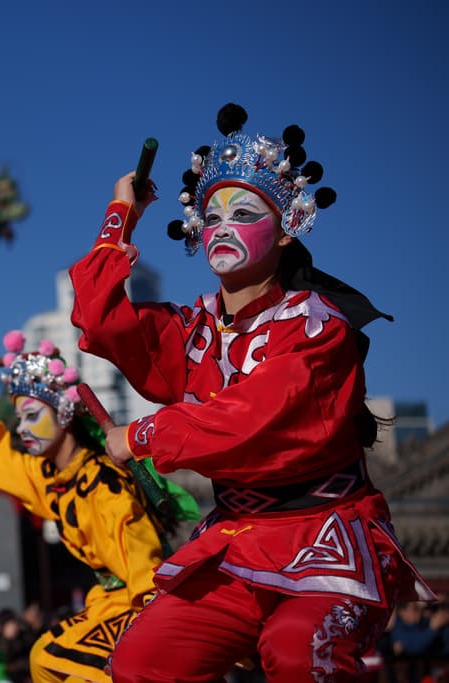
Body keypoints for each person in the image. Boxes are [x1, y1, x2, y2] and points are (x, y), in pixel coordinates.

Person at [68, 102, 436, 681]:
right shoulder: (193, 329)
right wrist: (122, 212)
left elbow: (249, 420)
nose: (222, 227)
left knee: (297, 651)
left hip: (324, 540)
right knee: (143, 663)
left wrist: (139, 435)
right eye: (211, 216)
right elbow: (98, 317)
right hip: (237, 546)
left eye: (243, 212)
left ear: (286, 229)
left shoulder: (317, 328)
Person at [0, 333, 177, 683]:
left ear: (63, 412)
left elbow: (142, 560)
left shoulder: (102, 483)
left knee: (53, 660)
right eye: (19, 419)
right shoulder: (52, 478)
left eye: (31, 415)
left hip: (141, 602)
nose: (23, 429)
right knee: (50, 662)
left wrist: (161, 621)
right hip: (107, 602)